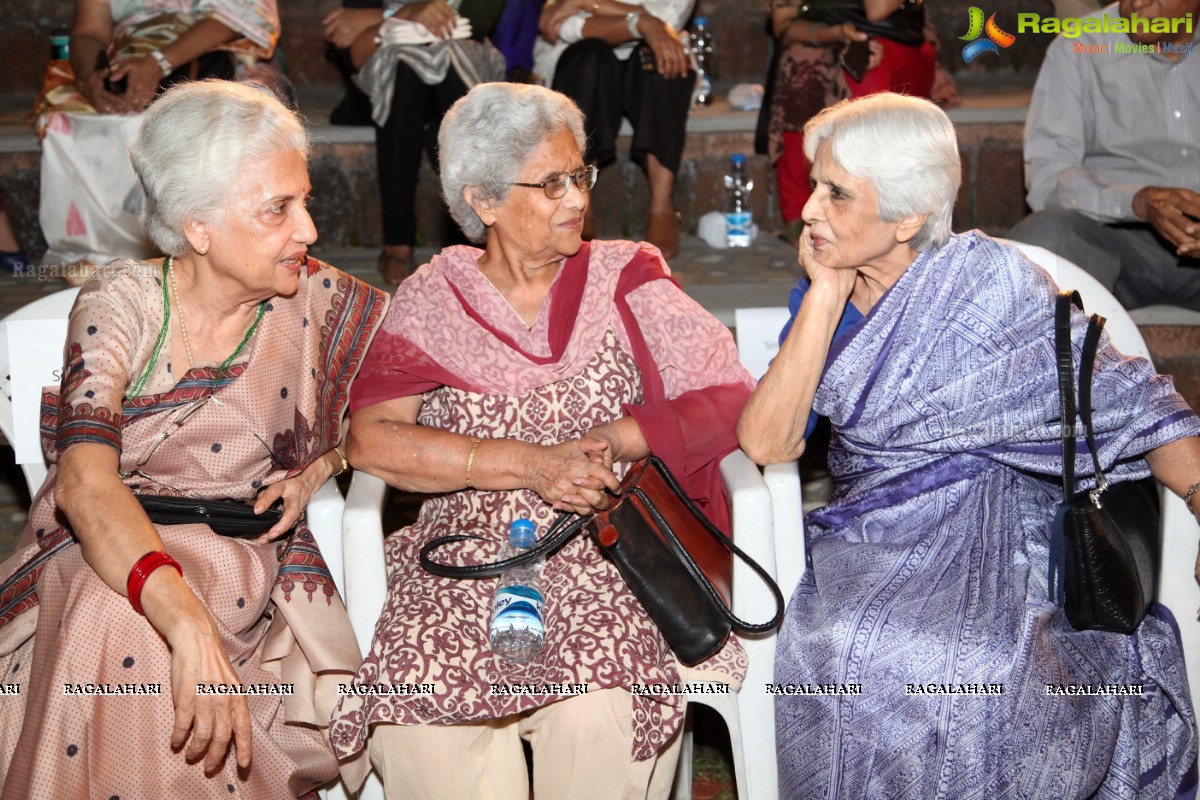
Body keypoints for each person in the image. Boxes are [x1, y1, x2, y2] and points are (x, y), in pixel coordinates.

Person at [738, 93, 1200, 797]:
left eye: (836, 193)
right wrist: (826, 296)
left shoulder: (996, 290)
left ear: (907, 218)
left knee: (991, 663)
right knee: (843, 648)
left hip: (1009, 532)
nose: (809, 210)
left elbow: (1134, 404)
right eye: (815, 186)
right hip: (872, 541)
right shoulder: (822, 296)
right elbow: (767, 441)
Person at [328, 82, 754, 799]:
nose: (576, 200)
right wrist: (528, 464)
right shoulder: (432, 299)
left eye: (579, 174)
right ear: (485, 201)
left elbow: (732, 395)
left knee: (598, 714)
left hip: (607, 545)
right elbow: (371, 441)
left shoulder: (626, 275)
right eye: (550, 183)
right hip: (463, 555)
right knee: (421, 726)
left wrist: (624, 434)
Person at [0, 81, 389, 797]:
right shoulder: (122, 301)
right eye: (278, 209)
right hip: (108, 544)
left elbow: (400, 407)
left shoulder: (321, 300)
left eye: (304, 201)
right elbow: (86, 482)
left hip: (244, 561)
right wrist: (182, 620)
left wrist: (318, 468)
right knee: (115, 619)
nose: (306, 230)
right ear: (198, 226)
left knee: (122, 628)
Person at [1007, 0, 1200, 311]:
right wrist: (1137, 201)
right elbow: (1048, 176)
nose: (1136, 4)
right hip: (1116, 245)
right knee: (1045, 236)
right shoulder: (1079, 46)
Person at [322, 0, 505, 286]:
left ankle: (476, 231)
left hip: (461, 72)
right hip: (388, 79)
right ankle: (399, 239)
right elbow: (351, 48)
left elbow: (477, 24)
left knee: (451, 55)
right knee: (405, 63)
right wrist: (407, 13)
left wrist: (379, 19)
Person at [762, 0, 936, 243]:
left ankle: (883, 216)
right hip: (823, 46)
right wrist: (833, 33)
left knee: (869, 73)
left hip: (890, 42)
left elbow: (878, 10)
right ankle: (807, 216)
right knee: (802, 72)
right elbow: (783, 26)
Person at [533, 0, 695, 259]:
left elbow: (667, 19)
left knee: (661, 57)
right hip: (581, 59)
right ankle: (580, 205)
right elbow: (559, 25)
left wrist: (586, 3)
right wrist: (642, 21)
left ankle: (662, 207)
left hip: (647, 58)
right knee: (589, 56)